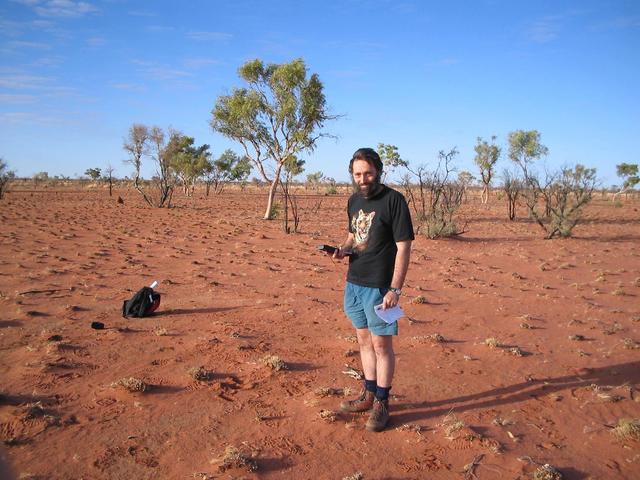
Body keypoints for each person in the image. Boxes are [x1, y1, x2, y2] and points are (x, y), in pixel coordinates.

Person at [332, 147, 414, 432]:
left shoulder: (394, 201)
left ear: (378, 171)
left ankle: (382, 401)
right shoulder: (354, 200)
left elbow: (404, 248)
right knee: (364, 342)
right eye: (358, 174)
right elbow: (355, 233)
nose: (363, 179)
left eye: (368, 173)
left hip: (381, 288)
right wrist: (343, 249)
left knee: (382, 346)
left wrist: (395, 289)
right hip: (354, 282)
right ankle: (368, 393)